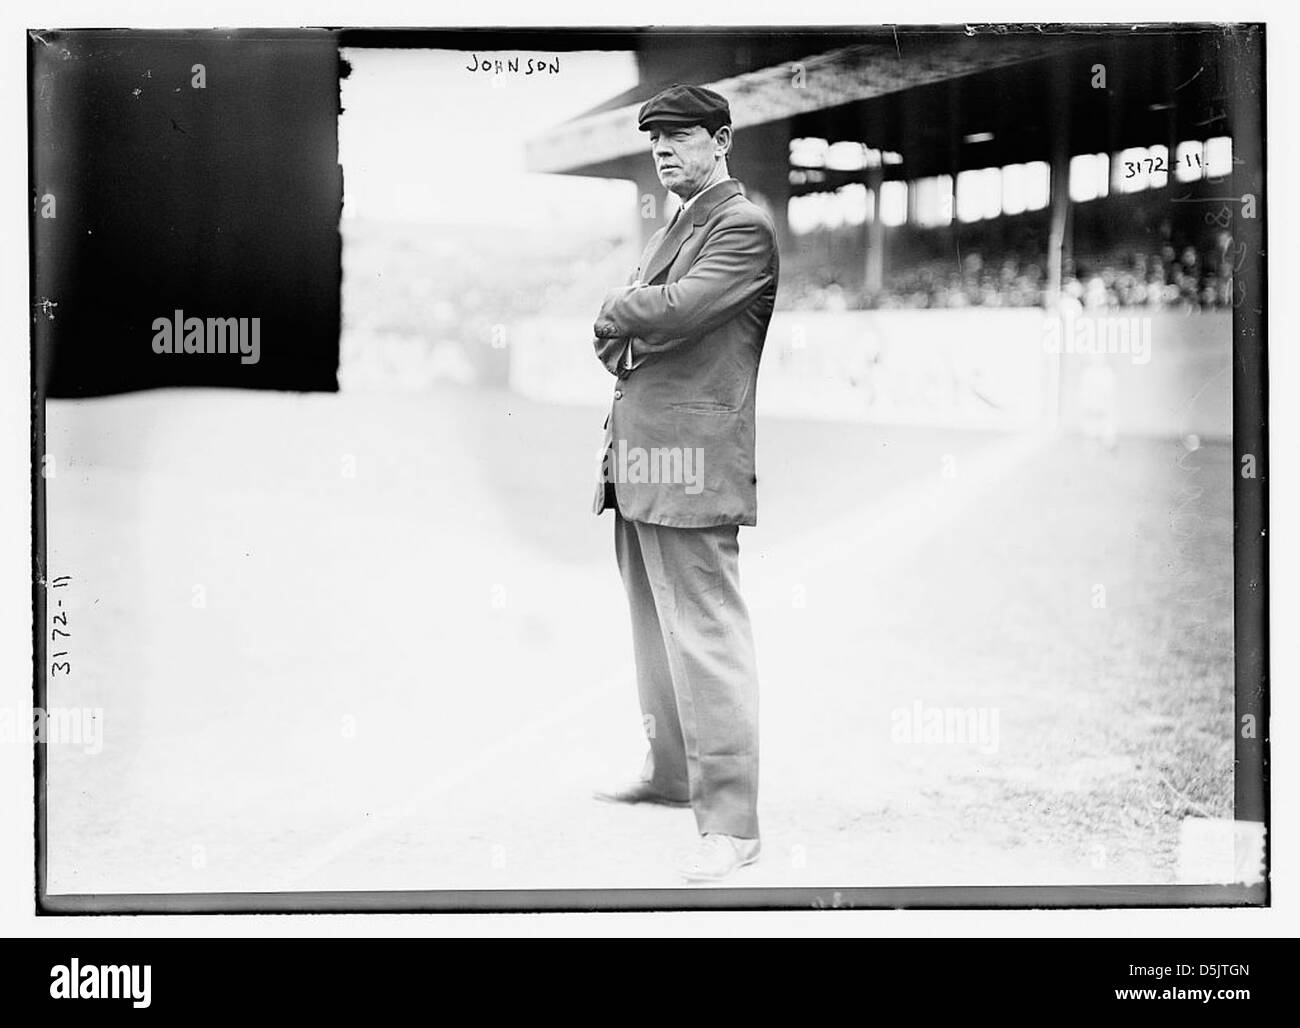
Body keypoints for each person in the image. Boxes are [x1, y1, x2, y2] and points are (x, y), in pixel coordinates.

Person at [589, 84, 779, 882]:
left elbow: (672, 313)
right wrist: (629, 319)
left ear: (722, 140)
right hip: (640, 462)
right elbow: (626, 341)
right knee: (652, 632)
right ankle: (671, 773)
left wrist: (618, 306)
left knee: (704, 638)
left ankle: (733, 826)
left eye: (681, 137)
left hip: (692, 466)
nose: (664, 149)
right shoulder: (680, 221)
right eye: (655, 139)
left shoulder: (741, 225)